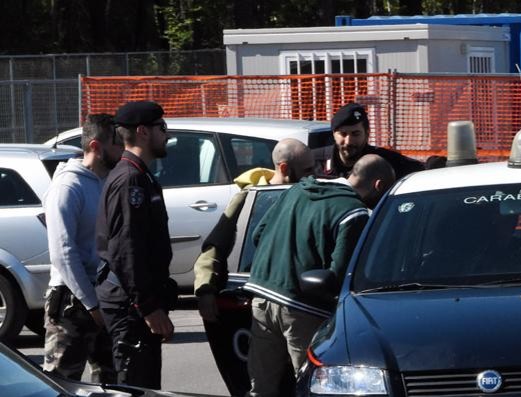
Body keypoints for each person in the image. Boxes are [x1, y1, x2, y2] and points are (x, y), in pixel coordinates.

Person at [243, 154, 395, 397]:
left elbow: (258, 235)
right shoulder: (354, 212)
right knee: (311, 386)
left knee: (262, 387)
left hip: (261, 296)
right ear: (379, 186)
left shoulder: (297, 190)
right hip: (303, 307)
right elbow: (341, 274)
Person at [95, 100, 176, 389]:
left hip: (136, 302)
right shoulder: (130, 179)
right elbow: (126, 249)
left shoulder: (140, 175)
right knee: (134, 386)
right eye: (161, 128)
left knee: (144, 384)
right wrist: (148, 307)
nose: (166, 134)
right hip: (130, 306)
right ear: (143, 131)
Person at [194, 138, 314, 323]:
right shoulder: (251, 199)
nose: (314, 176)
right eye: (307, 170)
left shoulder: (311, 195)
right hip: (258, 297)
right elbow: (215, 246)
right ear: (284, 169)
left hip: (302, 299)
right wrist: (205, 290)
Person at [41, 114, 121, 384]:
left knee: (111, 383)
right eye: (116, 143)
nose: (122, 148)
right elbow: (63, 253)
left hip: (103, 297)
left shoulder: (108, 181)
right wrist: (92, 305)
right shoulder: (67, 186)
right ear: (96, 147)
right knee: (62, 385)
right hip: (71, 304)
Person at [312, 102, 424, 179]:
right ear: (334, 134)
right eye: (343, 134)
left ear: (367, 133)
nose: (348, 141)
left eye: (355, 134)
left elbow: (421, 169)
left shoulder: (384, 161)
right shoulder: (314, 162)